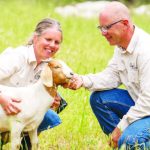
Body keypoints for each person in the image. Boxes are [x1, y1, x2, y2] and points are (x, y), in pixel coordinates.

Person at [68, 1, 150, 149]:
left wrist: (121, 127)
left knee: (130, 140)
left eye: (107, 27)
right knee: (99, 98)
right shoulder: (121, 47)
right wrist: (83, 80)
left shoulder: (145, 51)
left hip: (147, 106)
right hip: (141, 106)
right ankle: (121, 142)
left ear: (125, 23)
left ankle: (126, 141)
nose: (102, 33)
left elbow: (148, 101)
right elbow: (111, 76)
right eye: (101, 28)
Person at [0, 18, 67, 149]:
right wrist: (2, 98)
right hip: (2, 107)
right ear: (36, 38)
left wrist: (51, 101)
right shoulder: (16, 56)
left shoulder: (48, 65)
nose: (52, 45)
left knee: (49, 115)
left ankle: (25, 145)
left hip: (16, 113)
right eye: (48, 40)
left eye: (57, 42)